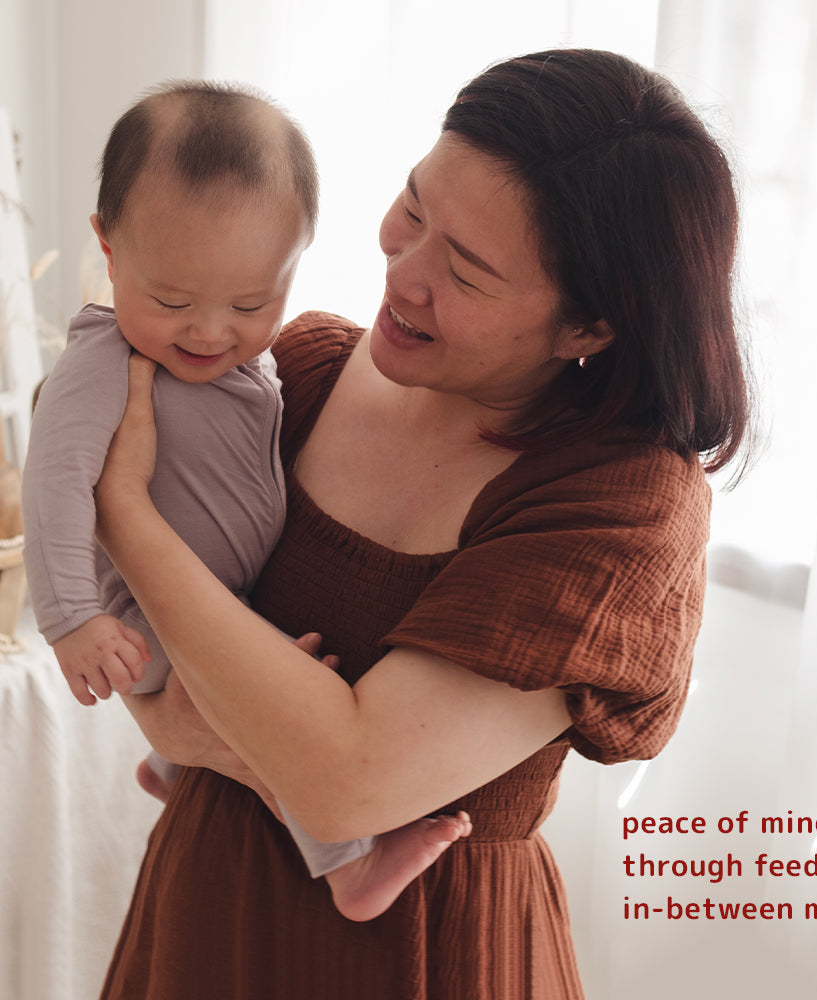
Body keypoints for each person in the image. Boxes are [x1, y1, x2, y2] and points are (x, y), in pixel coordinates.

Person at [94, 49, 752, 998]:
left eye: (470, 273)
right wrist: (216, 725)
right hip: (207, 898)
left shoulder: (620, 512)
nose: (403, 273)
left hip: (425, 955)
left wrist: (124, 518)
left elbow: (344, 781)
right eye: (414, 207)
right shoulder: (302, 370)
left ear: (589, 329)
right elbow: (149, 670)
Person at [20, 80, 469, 923]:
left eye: (251, 302)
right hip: (143, 619)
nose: (210, 333)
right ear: (108, 249)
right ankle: (348, 869)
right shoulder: (104, 363)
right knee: (285, 715)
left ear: (293, 266)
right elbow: (52, 481)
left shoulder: (257, 361)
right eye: (172, 301)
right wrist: (72, 618)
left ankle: (173, 768)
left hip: (216, 600)